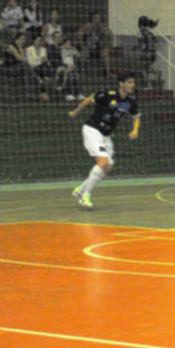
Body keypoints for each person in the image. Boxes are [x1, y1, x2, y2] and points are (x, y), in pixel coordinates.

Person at [68, 72, 141, 210]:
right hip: (92, 129)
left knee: (108, 167)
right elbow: (88, 100)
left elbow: (136, 117)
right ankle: (85, 196)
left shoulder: (131, 101)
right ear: (121, 84)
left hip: (106, 135)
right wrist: (75, 112)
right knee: (103, 162)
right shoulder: (107, 94)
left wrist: (135, 130)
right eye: (129, 82)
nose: (132, 85)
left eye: (133, 82)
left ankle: (80, 190)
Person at [76, 11, 114, 77]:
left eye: (98, 18)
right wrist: (82, 46)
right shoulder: (87, 27)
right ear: (92, 18)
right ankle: (82, 73)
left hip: (98, 49)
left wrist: (109, 46)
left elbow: (110, 34)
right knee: (83, 53)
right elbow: (79, 34)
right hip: (88, 49)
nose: (97, 19)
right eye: (95, 18)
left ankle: (108, 73)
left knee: (105, 53)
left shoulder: (102, 27)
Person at [54, 34, 83, 102]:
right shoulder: (62, 50)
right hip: (65, 66)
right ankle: (68, 93)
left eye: (70, 43)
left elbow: (78, 55)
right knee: (69, 75)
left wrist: (75, 50)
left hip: (72, 66)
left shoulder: (71, 50)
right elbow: (58, 47)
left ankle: (78, 93)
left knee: (76, 76)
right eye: (67, 43)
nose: (69, 45)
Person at [25, 34, 52, 102]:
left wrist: (40, 60)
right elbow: (30, 62)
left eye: (40, 40)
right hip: (32, 69)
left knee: (45, 65)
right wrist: (40, 60)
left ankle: (42, 80)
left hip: (42, 68)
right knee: (42, 66)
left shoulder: (43, 49)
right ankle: (44, 92)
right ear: (33, 41)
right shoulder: (28, 49)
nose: (39, 42)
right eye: (37, 40)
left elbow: (45, 60)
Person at [137, 16, 159, 88]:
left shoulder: (140, 32)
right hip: (153, 52)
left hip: (146, 52)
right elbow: (156, 41)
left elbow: (141, 42)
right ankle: (155, 74)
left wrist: (137, 47)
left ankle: (149, 85)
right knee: (147, 67)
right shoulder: (150, 32)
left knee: (143, 69)